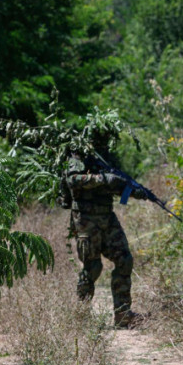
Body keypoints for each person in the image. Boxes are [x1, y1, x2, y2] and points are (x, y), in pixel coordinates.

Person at [59, 130, 147, 329]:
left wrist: (134, 192)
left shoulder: (107, 158)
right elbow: (72, 179)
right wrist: (102, 179)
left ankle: (123, 315)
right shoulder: (78, 156)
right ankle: (81, 318)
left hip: (107, 218)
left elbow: (115, 185)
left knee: (124, 259)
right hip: (85, 219)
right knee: (92, 268)